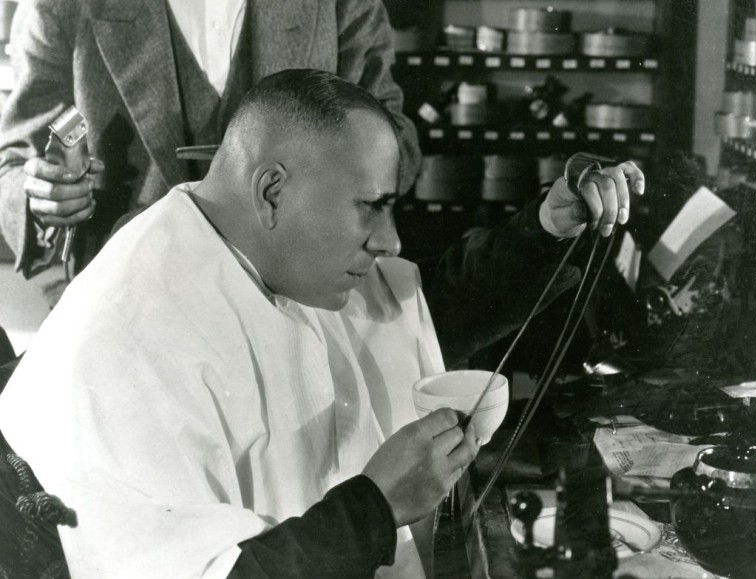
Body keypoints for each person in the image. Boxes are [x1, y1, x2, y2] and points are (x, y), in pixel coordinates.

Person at [0, 70, 643, 578]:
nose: (389, 241)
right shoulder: (128, 338)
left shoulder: (269, 246)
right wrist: (376, 506)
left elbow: (414, 319)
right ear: (272, 189)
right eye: (371, 208)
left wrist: (544, 230)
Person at [0, 0, 420, 304]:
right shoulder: (59, 6)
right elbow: (14, 166)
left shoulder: (340, 5)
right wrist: (42, 193)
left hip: (295, 311)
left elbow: (398, 146)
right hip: (124, 301)